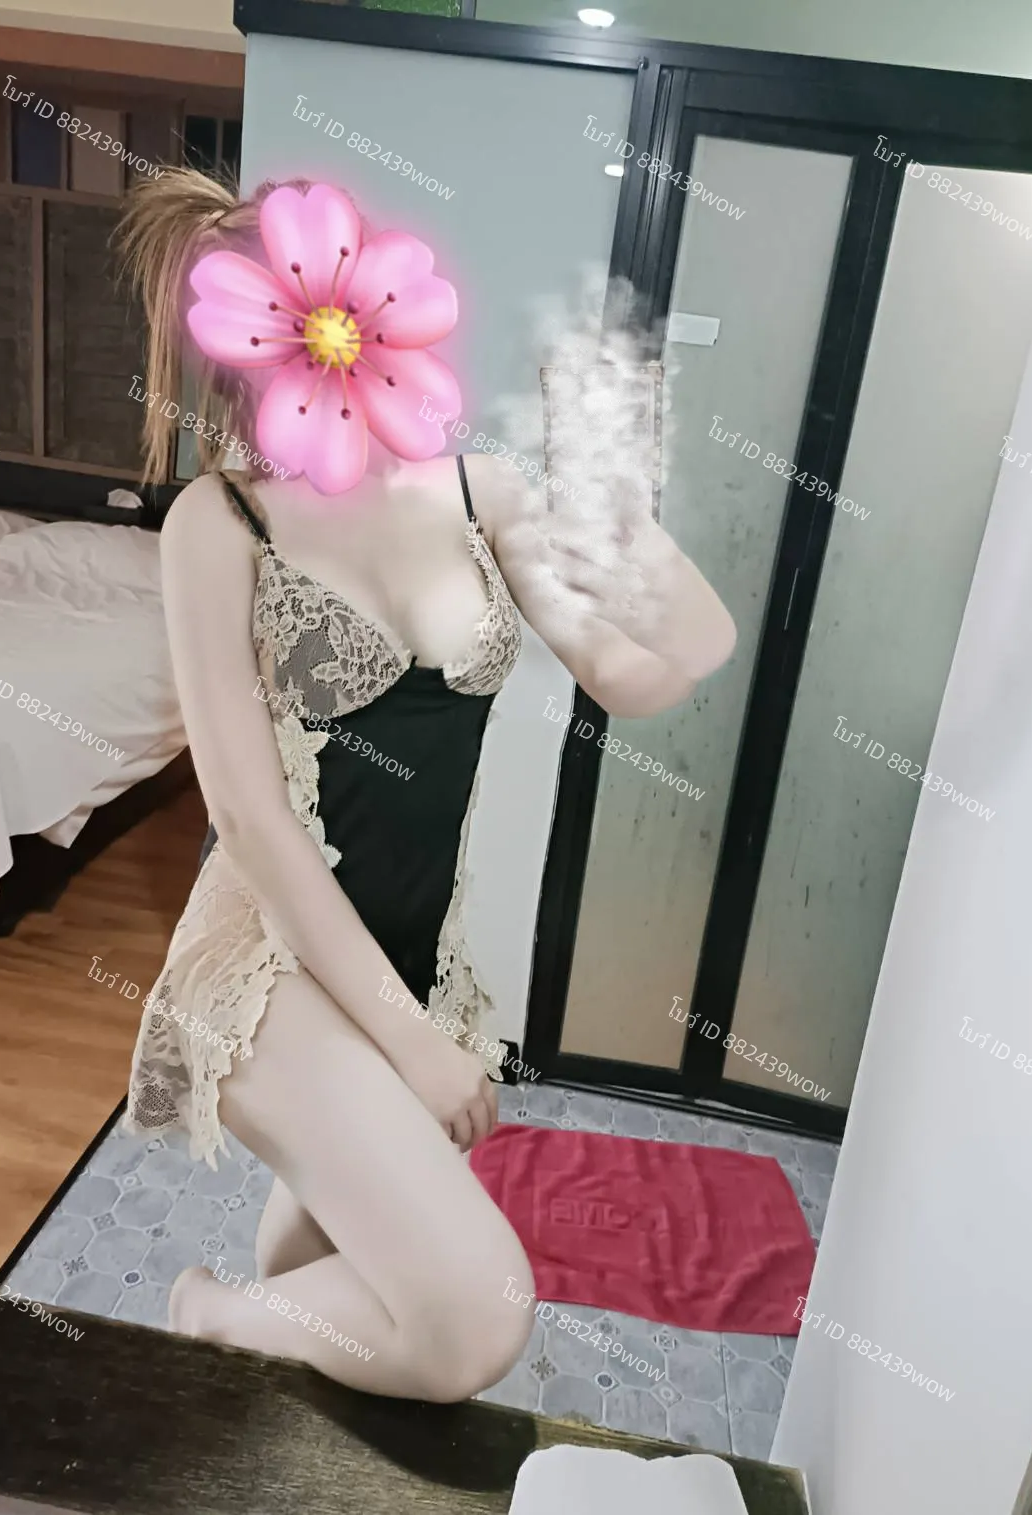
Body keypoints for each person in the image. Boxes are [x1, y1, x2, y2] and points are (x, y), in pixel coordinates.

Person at [115, 167, 736, 1402]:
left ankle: (260, 1358)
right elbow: (246, 816)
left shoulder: (479, 490)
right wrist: (414, 1051)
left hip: (414, 955)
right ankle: (211, 1319)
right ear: (245, 356)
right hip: (268, 966)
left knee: (344, 1279)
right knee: (470, 1319)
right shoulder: (219, 525)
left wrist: (613, 502)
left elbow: (654, 668)